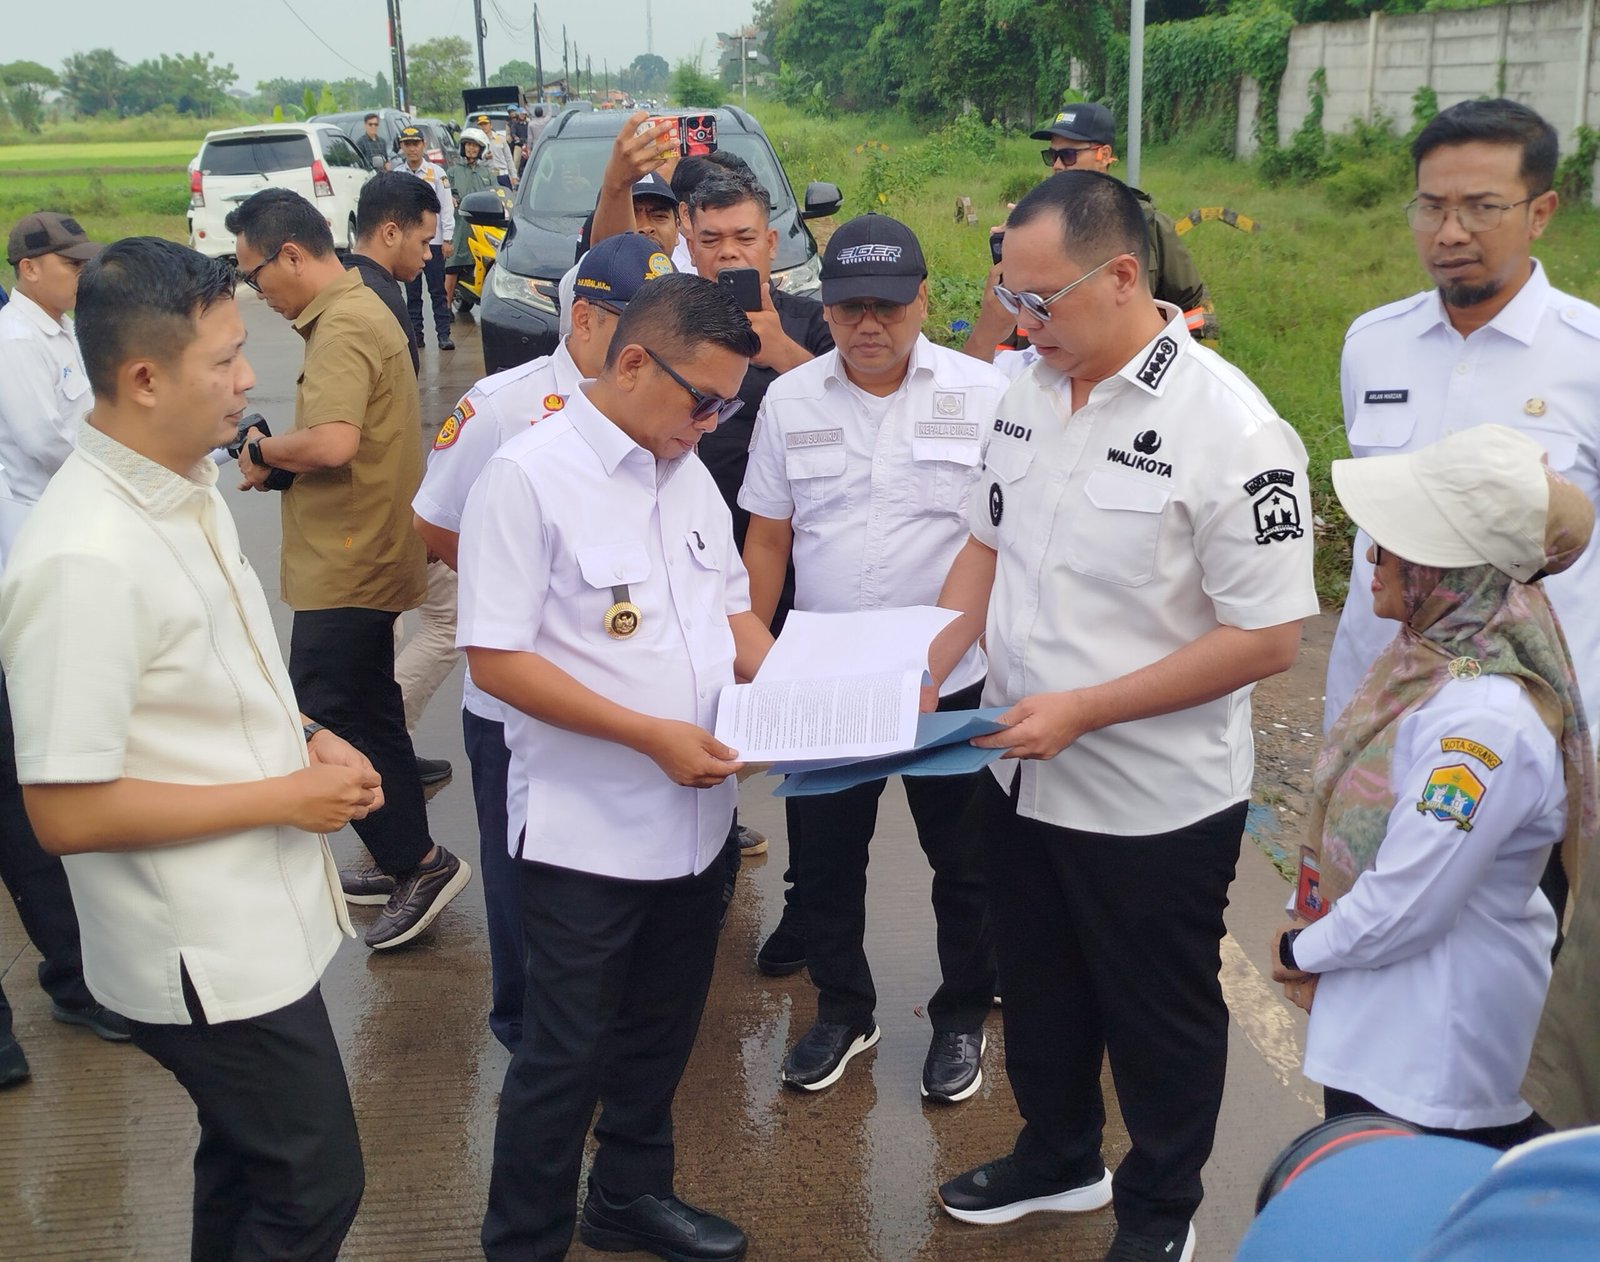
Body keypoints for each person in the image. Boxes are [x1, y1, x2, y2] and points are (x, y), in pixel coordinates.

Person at [926, 171, 1317, 1262]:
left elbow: (1269, 636)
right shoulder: (1025, 385)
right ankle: (1058, 1154)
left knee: (1157, 1017)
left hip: (1150, 799)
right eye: (1010, 296)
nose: (1021, 321)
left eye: (1041, 299)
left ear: (1125, 276)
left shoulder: (1230, 427)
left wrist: (1088, 708)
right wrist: (927, 659)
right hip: (1016, 768)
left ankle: (1157, 1211)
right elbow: (984, 539)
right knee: (1040, 990)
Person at [0, 235, 377, 1257]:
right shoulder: (84, 558)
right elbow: (63, 811)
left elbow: (213, 665)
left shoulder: (186, 478)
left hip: (257, 903)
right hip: (201, 946)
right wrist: (282, 797)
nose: (248, 374)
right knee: (312, 1182)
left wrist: (307, 732)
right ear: (142, 377)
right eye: (222, 358)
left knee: (249, 1159)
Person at [459, 274, 768, 1262]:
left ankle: (630, 1193)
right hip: (586, 834)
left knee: (660, 1033)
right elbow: (497, 659)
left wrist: (806, 696)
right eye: (701, 400)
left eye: (727, 405)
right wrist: (649, 735)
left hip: (697, 823)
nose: (711, 424)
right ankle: (523, 1241)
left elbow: (732, 613)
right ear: (633, 361)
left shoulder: (683, 471)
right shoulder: (528, 476)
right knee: (562, 1058)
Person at [740, 213, 1006, 1100]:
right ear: (824, 306)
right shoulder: (792, 399)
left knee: (966, 867)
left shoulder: (985, 396)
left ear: (925, 299)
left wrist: (938, 663)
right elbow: (769, 541)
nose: (869, 326)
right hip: (829, 690)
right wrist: (759, 650)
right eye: (849, 307)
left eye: (888, 308)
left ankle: (963, 1013)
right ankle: (843, 1011)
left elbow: (996, 545)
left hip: (948, 684)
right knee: (823, 866)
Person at [1272, 426, 1594, 1151]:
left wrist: (1303, 948)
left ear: (1449, 573)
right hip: (1391, 1039)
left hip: (1433, 1070)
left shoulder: (1483, 719)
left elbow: (1408, 903)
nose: (1371, 557)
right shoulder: (1433, 665)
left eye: (1391, 541)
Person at [1322, 98, 1600, 930]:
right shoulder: (1375, 344)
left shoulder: (1589, 357)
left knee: (1511, 973)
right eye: (1431, 205)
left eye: (1482, 207)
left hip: (1530, 730)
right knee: (1360, 949)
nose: (1450, 231)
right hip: (1381, 715)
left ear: (1541, 211)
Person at [413, 232, 675, 1053]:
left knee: (611, 877)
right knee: (524, 875)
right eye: (647, 333)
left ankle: (611, 1019)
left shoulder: (664, 406)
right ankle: (527, 1029)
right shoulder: (503, 405)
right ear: (590, 321)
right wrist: (524, 588)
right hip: (514, 701)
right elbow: (432, 522)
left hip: (623, 691)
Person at [226, 188, 471, 952]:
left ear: (292, 254)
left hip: (350, 557)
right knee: (368, 708)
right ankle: (405, 854)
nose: (258, 293)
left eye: (256, 275)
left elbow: (332, 442)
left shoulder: (343, 324)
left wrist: (263, 453)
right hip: (359, 547)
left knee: (329, 709)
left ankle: (418, 861)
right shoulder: (358, 310)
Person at [685, 171, 836, 940]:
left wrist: (776, 347)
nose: (727, 254)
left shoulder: (814, 326)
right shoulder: (668, 326)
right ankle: (704, 866)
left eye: (743, 238)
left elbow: (862, 412)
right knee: (699, 717)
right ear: (686, 239)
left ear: (770, 242)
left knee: (801, 741)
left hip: (789, 562)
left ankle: (807, 907)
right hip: (692, 565)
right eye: (710, 240)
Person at [0, 211, 131, 1084]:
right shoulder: (16, 342)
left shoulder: (54, 332)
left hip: (27, 563)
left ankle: (76, 978)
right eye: (69, 263)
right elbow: (50, 439)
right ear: (29, 267)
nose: (81, 275)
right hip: (20, 551)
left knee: (24, 801)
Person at [964, 100, 1215, 369]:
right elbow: (1014, 313)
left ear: (1104, 155)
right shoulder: (1035, 223)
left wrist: (1177, 370)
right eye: (1053, 156)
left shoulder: (1147, 224)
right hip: (1043, 370)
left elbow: (1192, 310)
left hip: (1128, 375)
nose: (1058, 165)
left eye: (1069, 155)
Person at [348, 171, 439, 374]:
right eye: (424, 242)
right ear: (391, 234)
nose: (428, 255)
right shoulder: (377, 299)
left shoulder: (349, 282)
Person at [394, 125, 456, 352]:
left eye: (416, 144)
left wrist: (447, 237)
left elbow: (446, 208)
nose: (412, 149)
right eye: (407, 144)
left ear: (423, 145)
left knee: (437, 291)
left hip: (435, 241)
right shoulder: (398, 176)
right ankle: (416, 335)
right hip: (408, 243)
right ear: (402, 147)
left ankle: (443, 335)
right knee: (412, 292)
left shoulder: (437, 174)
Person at [445, 127, 500, 298]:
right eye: (468, 144)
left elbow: (497, 194)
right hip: (459, 225)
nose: (471, 148)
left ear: (482, 149)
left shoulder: (488, 173)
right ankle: (446, 307)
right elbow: (446, 191)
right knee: (452, 266)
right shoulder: (453, 171)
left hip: (483, 226)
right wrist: (451, 197)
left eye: (475, 146)